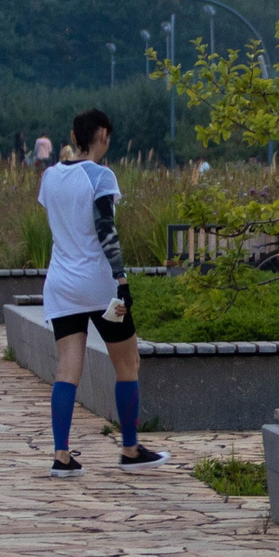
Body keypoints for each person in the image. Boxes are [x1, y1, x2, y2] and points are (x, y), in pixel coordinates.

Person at [38, 108, 166, 475]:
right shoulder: (101, 177)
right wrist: (123, 281)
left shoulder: (50, 177)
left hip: (61, 284)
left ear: (74, 136)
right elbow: (106, 231)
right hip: (98, 284)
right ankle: (129, 449)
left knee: (67, 369)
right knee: (127, 364)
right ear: (103, 136)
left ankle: (61, 456)